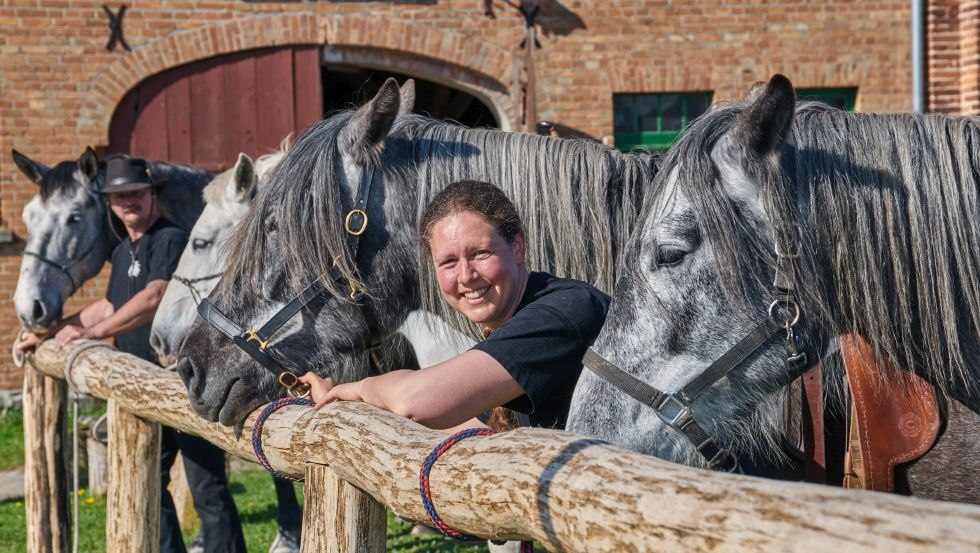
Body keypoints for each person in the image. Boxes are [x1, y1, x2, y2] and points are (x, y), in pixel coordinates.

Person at [16, 157, 247, 553]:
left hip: (178, 383)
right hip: (142, 386)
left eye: (136, 194)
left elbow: (153, 296)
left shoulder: (170, 238)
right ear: (110, 203)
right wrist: (48, 332)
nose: (129, 203)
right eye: (120, 198)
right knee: (149, 481)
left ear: (151, 195)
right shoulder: (125, 249)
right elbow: (108, 306)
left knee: (207, 487)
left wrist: (93, 333)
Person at [299, 180, 609, 432]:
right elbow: (463, 427)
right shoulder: (519, 320)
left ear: (517, 248)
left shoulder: (565, 312)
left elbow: (417, 402)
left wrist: (357, 388)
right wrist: (338, 400)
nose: (466, 276)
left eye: (481, 254)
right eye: (448, 262)